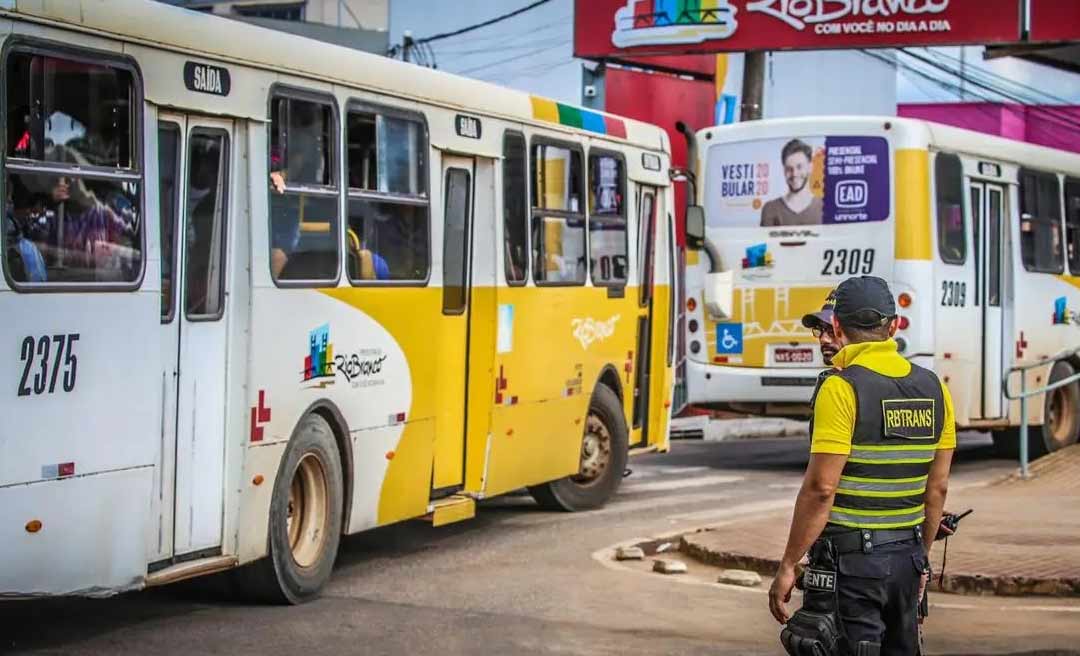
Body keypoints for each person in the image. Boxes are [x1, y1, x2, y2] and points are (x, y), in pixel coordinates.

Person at [769, 276, 956, 656]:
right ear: (894, 326)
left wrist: (789, 563)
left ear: (838, 326)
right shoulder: (936, 388)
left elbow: (821, 489)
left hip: (852, 566)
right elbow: (936, 489)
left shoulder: (841, 388)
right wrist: (920, 558)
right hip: (906, 558)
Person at [760, 139, 823, 227]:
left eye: (799, 167)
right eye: (789, 169)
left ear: (810, 167)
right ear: (784, 171)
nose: (794, 174)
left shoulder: (824, 207)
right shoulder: (770, 209)